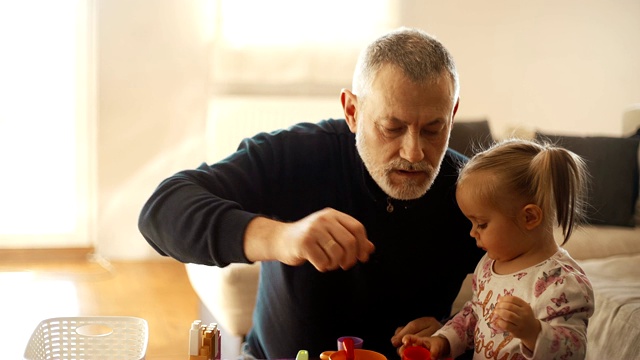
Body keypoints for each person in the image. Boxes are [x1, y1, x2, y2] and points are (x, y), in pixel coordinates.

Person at [138, 27, 484, 359]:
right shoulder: (299, 154)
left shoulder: (473, 191)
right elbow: (161, 211)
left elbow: (531, 296)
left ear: (452, 116)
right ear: (352, 110)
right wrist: (280, 238)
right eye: (392, 128)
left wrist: (454, 333)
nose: (414, 153)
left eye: (433, 130)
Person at [400, 139, 595, 359]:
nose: (473, 233)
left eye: (481, 224)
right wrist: (442, 340)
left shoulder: (563, 282)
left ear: (529, 217)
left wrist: (533, 332)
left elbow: (575, 349)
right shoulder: (488, 265)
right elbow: (474, 315)